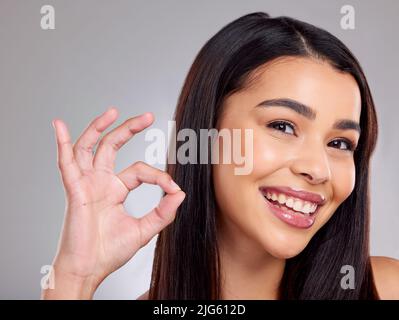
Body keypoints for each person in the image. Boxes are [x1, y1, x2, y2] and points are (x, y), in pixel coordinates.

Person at [42, 12, 399, 300]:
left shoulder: (387, 288)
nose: (317, 169)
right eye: (283, 126)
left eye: (340, 144)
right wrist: (74, 276)